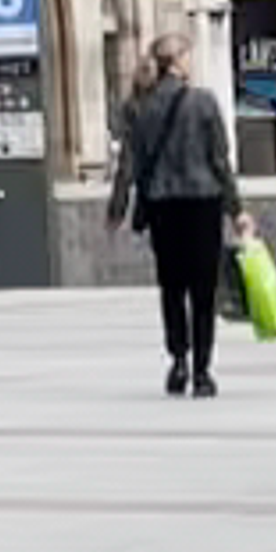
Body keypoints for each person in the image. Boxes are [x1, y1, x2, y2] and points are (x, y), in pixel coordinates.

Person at [106, 28, 238, 397]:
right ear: (178, 61)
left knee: (172, 287)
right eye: (187, 55)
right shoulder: (204, 102)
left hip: (162, 206)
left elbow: (128, 165)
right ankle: (202, 371)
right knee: (203, 290)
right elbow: (220, 161)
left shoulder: (142, 109)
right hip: (202, 203)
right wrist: (236, 209)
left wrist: (117, 208)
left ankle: (178, 359)